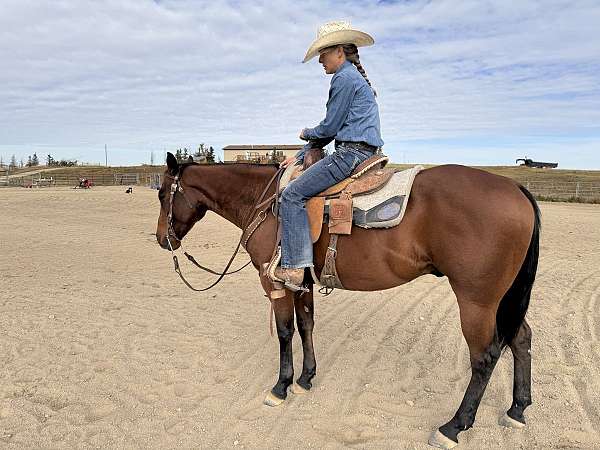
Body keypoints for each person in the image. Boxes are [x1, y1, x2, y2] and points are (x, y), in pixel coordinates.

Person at [273, 20, 384, 290]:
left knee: (291, 195)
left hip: (350, 154)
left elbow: (329, 128)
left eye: (323, 53)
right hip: (364, 151)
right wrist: (300, 156)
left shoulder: (344, 78)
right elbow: (328, 135)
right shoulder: (353, 78)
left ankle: (295, 266)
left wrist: (305, 133)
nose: (320, 60)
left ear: (339, 52)